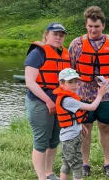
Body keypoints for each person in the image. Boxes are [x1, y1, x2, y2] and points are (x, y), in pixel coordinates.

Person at [68, 6, 109, 177]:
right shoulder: (76, 44)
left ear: (103, 25)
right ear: (86, 25)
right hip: (83, 94)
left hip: (106, 94)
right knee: (85, 128)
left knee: (105, 127)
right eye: (90, 26)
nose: (93, 30)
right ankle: (85, 163)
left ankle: (108, 162)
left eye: (96, 26)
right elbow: (70, 71)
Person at [24, 22, 71, 180]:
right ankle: (41, 177)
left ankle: (49, 172)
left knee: (54, 139)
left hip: (59, 103)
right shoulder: (38, 52)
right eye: (55, 34)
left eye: (61, 35)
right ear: (46, 35)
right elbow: (30, 82)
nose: (58, 37)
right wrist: (48, 101)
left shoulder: (65, 54)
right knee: (41, 140)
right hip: (39, 102)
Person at [53, 68, 109, 180]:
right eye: (70, 82)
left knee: (66, 164)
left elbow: (73, 116)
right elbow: (92, 107)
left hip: (67, 137)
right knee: (77, 165)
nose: (74, 85)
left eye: (76, 82)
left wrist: (81, 125)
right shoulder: (68, 100)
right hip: (71, 139)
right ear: (61, 83)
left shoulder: (67, 97)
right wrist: (100, 95)